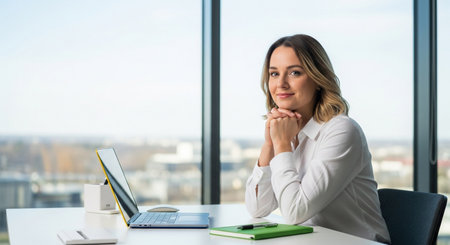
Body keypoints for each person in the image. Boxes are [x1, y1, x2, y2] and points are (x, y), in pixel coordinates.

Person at [245, 34, 390, 244]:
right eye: (274, 74)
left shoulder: (342, 131)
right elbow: (257, 208)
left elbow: (294, 212)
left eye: (294, 72)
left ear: (318, 79)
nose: (281, 84)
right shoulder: (287, 131)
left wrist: (282, 144)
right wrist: (270, 144)